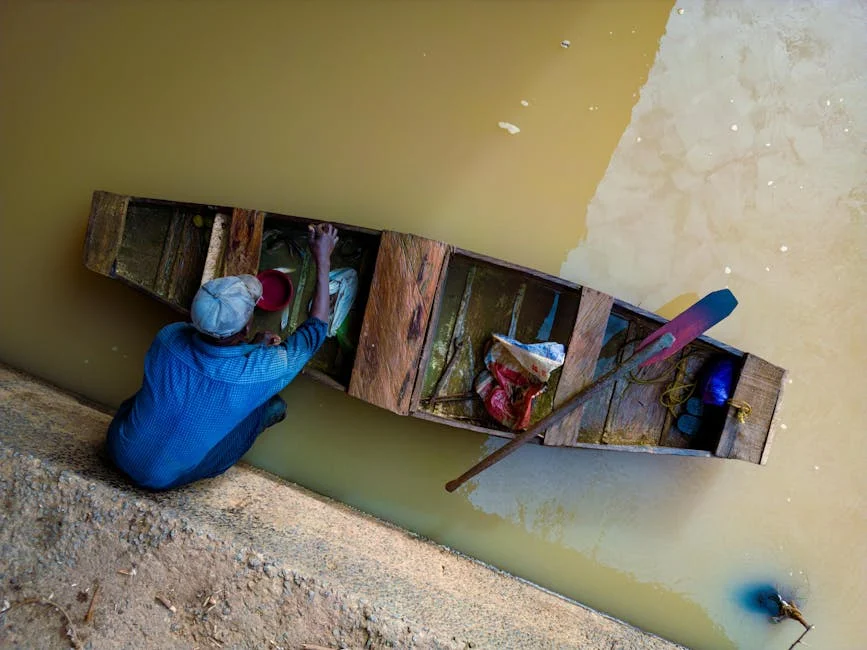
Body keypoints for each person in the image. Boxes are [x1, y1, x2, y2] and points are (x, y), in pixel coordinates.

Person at [106, 224, 339, 490]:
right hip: (163, 480)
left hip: (118, 447)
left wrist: (252, 347)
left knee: (163, 394)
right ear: (247, 327)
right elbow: (316, 329)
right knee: (274, 407)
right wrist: (322, 258)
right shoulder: (262, 371)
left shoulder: (168, 339)